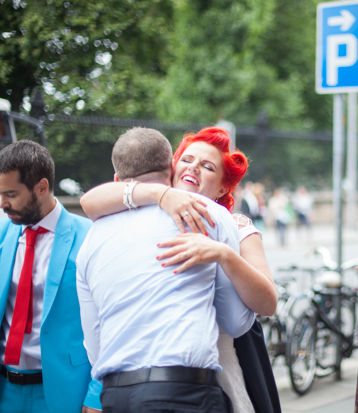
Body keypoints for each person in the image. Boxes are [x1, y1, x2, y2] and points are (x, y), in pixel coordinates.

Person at [79, 127, 280, 413]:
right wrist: (160, 194)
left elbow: (260, 308)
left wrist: (225, 255)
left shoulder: (230, 223)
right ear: (172, 167)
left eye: (208, 166)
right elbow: (88, 201)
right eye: (186, 160)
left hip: (213, 373)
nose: (194, 168)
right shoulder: (142, 209)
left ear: (223, 187)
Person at [0, 140, 101, 412]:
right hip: (4, 390)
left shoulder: (89, 237)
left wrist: (97, 393)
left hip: (64, 393)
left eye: (11, 194)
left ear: (42, 188)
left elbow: (111, 320)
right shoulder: (3, 231)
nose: (3, 204)